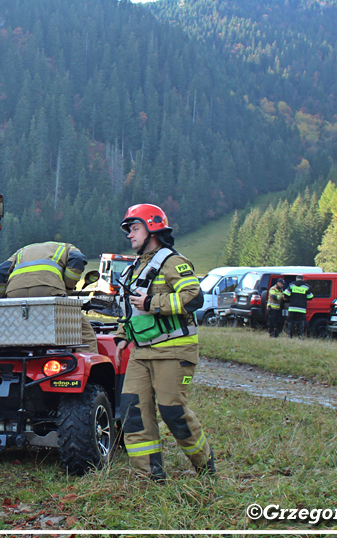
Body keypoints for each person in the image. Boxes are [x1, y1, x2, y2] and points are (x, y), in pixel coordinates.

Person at [113, 203, 214, 481]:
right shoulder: (135, 267)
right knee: (133, 412)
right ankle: (149, 476)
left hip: (174, 350)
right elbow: (130, 309)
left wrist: (152, 303)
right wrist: (122, 338)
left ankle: (205, 467)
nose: (130, 235)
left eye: (135, 229)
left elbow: (194, 298)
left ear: (153, 229)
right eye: (129, 230)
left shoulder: (173, 262)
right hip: (141, 352)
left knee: (173, 412)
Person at [0, 241, 96, 352]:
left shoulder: (21, 251)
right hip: (49, 291)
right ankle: (89, 366)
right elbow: (77, 259)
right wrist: (68, 287)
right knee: (84, 333)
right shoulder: (67, 247)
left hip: (15, 294)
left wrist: (4, 301)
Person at [283, 274, 313, 339]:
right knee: (301, 322)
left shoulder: (291, 285)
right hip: (302, 308)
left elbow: (286, 294)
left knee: (291, 321)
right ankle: (300, 336)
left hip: (292, 307)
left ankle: (290, 335)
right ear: (302, 279)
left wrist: (291, 297)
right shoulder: (306, 286)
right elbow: (310, 297)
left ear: (296, 279)